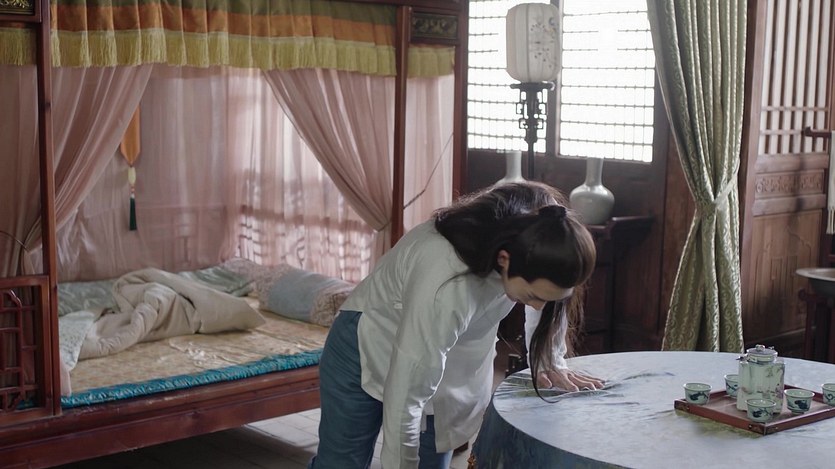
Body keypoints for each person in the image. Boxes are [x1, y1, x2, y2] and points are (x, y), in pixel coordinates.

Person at [309, 181, 604, 469]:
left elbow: (550, 299)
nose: (538, 306)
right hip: (365, 342)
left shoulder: (547, 227)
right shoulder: (446, 282)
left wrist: (551, 362)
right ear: (504, 259)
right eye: (531, 297)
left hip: (449, 357)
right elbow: (405, 396)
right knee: (341, 463)